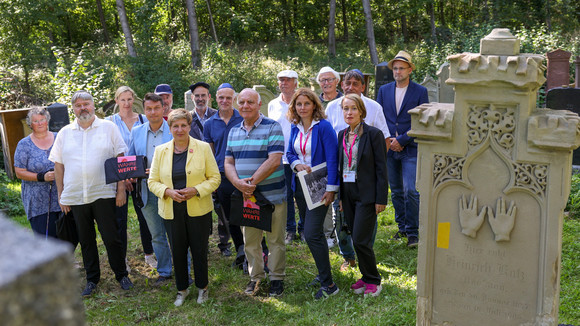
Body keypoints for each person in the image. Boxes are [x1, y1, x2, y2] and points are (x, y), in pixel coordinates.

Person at [49, 90, 133, 297]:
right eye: (78, 105)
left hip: (104, 193)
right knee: (86, 241)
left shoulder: (108, 128)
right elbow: (58, 166)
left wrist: (121, 189)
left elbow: (120, 159)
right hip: (77, 196)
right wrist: (62, 196)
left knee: (112, 238)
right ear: (74, 109)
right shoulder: (65, 133)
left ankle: (121, 274)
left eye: (86, 103)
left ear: (93, 105)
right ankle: (92, 279)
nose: (83, 108)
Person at [148, 109, 220, 306]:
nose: (179, 130)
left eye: (183, 125)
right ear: (169, 128)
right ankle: (182, 289)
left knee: (199, 250)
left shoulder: (203, 148)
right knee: (178, 251)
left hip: (198, 208)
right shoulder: (160, 151)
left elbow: (215, 178)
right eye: (175, 126)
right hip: (171, 209)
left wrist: (196, 190)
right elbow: (152, 181)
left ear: (189, 126)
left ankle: (203, 288)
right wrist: (167, 192)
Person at [325, 69, 391, 272]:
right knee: (345, 224)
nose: (349, 112)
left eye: (356, 83)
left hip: (366, 185)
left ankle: (369, 267)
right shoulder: (338, 123)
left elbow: (382, 158)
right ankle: (352, 260)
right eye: (347, 82)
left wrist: (380, 196)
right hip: (346, 184)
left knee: (364, 232)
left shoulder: (374, 120)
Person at [224, 89, 287, 297]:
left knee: (275, 239)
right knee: (250, 240)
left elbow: (274, 160)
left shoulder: (273, 127)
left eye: (250, 102)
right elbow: (228, 162)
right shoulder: (234, 131)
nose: (245, 106)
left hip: (272, 195)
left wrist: (251, 182)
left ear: (259, 104)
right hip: (247, 197)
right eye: (241, 102)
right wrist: (237, 183)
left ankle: (277, 278)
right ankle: (256, 278)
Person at [285, 88, 340, 299]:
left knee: (311, 232)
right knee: (314, 234)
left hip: (320, 185)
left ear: (314, 105)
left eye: (306, 103)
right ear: (294, 107)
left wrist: (331, 189)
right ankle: (323, 273)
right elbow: (290, 152)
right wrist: (296, 164)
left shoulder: (323, 127)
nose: (302, 107)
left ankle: (329, 286)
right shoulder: (295, 127)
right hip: (300, 185)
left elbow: (333, 159)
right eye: (299, 104)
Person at [376, 51, 428, 248]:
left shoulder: (420, 91)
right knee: (396, 191)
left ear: (410, 70)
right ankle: (402, 228)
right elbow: (381, 119)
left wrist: (403, 139)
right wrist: (389, 140)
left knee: (411, 191)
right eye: (395, 68)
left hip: (410, 147)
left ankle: (413, 233)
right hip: (389, 147)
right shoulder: (385, 90)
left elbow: (422, 120)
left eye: (401, 68)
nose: (397, 71)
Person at [338, 93, 388, 297]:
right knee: (354, 235)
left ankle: (374, 280)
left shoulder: (374, 134)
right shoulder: (341, 134)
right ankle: (365, 277)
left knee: (360, 239)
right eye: (345, 108)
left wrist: (381, 198)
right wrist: (341, 196)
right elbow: (341, 166)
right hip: (348, 193)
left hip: (367, 194)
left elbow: (381, 168)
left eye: (353, 109)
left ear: (361, 111)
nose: (349, 112)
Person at [107, 86, 156, 271]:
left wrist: (135, 174)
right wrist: (123, 177)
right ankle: (123, 257)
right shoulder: (110, 122)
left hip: (139, 176)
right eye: (122, 100)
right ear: (116, 100)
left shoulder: (143, 120)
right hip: (119, 177)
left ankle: (149, 254)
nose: (126, 104)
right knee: (120, 219)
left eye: (129, 99)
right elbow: (110, 150)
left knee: (145, 216)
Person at [127, 93, 174, 286]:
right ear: (144, 110)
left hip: (171, 190)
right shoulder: (136, 132)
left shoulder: (174, 129)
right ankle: (164, 271)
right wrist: (131, 172)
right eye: (149, 109)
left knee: (176, 233)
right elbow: (130, 160)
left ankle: (184, 269)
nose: (153, 112)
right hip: (146, 190)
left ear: (164, 108)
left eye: (156, 108)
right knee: (156, 234)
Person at [203, 83, 245, 259]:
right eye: (221, 97)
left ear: (234, 99)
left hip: (245, 174)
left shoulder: (243, 118)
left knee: (250, 215)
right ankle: (241, 251)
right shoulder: (209, 124)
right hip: (222, 176)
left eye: (229, 98)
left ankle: (258, 250)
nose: (225, 101)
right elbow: (210, 153)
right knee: (231, 217)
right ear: (215, 98)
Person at [14, 107, 60, 238]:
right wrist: (41, 177)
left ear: (47, 121)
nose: (40, 123)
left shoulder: (59, 138)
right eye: (35, 121)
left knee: (68, 236)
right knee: (46, 239)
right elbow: (19, 172)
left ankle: (65, 259)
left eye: (42, 119)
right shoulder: (24, 144)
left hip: (62, 198)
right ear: (30, 124)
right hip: (37, 203)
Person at [268, 70, 300, 244]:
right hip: (281, 157)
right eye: (281, 80)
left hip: (301, 155)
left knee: (302, 193)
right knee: (286, 195)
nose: (284, 83)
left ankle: (303, 228)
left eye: (288, 80)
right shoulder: (273, 104)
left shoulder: (301, 100)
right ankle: (290, 229)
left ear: (295, 83)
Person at [316, 66, 343, 248]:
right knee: (323, 192)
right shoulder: (314, 102)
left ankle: (342, 230)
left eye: (329, 80)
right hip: (320, 153)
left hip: (343, 153)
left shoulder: (345, 100)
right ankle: (328, 233)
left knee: (340, 194)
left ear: (337, 82)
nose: (326, 83)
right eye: (322, 80)